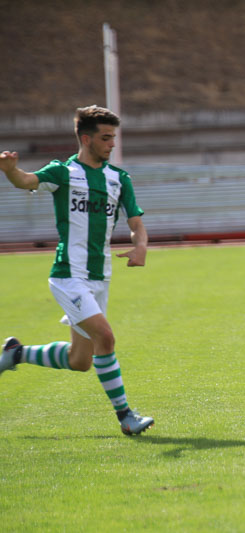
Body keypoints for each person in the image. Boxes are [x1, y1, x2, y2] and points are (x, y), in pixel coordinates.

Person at [0, 105, 155, 435]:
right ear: (86, 139)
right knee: (106, 337)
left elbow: (136, 224)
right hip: (68, 275)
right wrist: (10, 171)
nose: (112, 144)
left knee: (79, 360)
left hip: (101, 277)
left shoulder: (119, 178)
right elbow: (25, 180)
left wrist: (141, 245)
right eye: (106, 138)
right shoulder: (62, 173)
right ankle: (126, 416)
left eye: (113, 137)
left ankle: (17, 354)